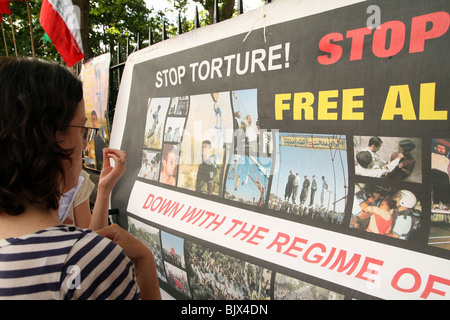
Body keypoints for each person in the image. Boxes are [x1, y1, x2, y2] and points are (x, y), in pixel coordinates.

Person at [0, 57, 161, 300]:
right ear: (53, 137)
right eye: (82, 130)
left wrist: (104, 190)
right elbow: (84, 248)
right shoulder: (88, 262)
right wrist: (145, 262)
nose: (85, 145)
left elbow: (87, 235)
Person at [60, 148, 127, 230]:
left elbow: (92, 237)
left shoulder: (79, 178)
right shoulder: (76, 178)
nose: (84, 145)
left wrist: (104, 190)